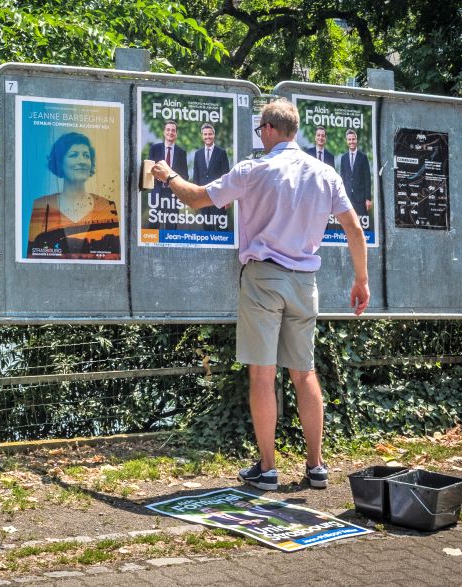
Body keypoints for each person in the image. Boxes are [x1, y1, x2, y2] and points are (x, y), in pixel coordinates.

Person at [151, 99, 369, 491]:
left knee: (262, 374)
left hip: (264, 279)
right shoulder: (325, 174)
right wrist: (361, 280)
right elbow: (354, 228)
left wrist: (167, 175)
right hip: (306, 281)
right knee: (304, 374)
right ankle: (316, 467)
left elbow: (197, 197)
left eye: (259, 131)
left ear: (269, 129)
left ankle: (268, 469)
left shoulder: (254, 170)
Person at [26, 131, 120, 259]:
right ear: (59, 162)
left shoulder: (108, 205)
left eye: (86, 156)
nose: (82, 161)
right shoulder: (41, 205)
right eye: (74, 155)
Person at [146, 119, 190, 229]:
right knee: (153, 225)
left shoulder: (181, 153)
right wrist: (160, 177)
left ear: (176, 133)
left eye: (173, 130)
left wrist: (172, 179)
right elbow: (149, 170)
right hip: (157, 192)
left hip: (173, 194)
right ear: (164, 132)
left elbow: (185, 176)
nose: (170, 132)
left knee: (171, 226)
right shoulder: (154, 149)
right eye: (168, 130)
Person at [191, 123, 230, 225]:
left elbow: (226, 176)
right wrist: (195, 197)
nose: (207, 137)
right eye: (205, 134)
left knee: (221, 227)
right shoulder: (197, 154)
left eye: (210, 134)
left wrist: (227, 199)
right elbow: (196, 176)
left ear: (214, 135)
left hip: (218, 197)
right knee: (207, 227)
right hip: (203, 197)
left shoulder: (221, 153)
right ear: (202, 136)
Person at [336, 129, 372, 221]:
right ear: (346, 141)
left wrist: (368, 198)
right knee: (349, 224)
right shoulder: (343, 158)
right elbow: (342, 178)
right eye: (349, 139)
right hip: (348, 198)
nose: (351, 141)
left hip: (361, 199)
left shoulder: (363, 157)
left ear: (356, 140)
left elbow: (367, 178)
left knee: (362, 225)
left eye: (353, 139)